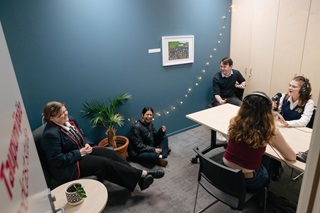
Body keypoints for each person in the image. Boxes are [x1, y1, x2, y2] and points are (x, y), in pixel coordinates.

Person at [41, 101, 165, 192]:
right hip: (70, 164)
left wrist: (87, 144)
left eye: (65, 111)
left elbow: (81, 135)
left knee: (111, 153)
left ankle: (140, 178)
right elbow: (57, 160)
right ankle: (143, 174)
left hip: (82, 150)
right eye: (60, 114)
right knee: (103, 163)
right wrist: (80, 152)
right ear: (51, 118)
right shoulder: (50, 135)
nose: (65, 115)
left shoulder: (71, 120)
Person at [223, 92, 296, 191]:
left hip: (225, 169)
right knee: (269, 160)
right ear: (267, 111)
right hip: (249, 179)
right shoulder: (269, 130)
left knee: (265, 156)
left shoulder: (234, 121)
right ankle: (263, 193)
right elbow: (291, 157)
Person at [272, 76, 314, 180]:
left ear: (303, 91)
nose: (290, 88)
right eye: (290, 85)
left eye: (294, 86)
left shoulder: (309, 102)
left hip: (299, 132)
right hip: (284, 129)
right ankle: (274, 168)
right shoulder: (283, 97)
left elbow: (304, 121)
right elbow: (276, 112)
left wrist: (287, 123)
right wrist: (273, 111)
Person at [209, 57, 246, 141]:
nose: (222, 69)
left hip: (231, 97)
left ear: (231, 66)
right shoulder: (216, 77)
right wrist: (221, 101)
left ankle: (240, 129)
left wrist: (242, 85)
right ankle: (219, 131)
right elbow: (216, 94)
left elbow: (243, 81)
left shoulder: (236, 73)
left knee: (243, 107)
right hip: (220, 98)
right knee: (221, 111)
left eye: (224, 66)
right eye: (221, 66)